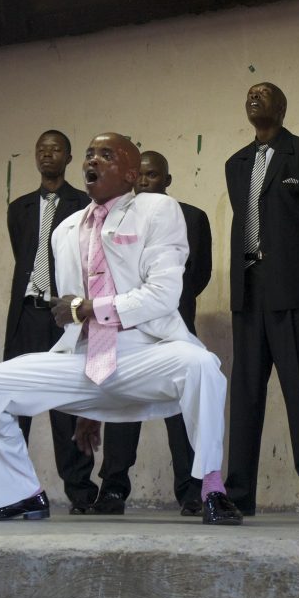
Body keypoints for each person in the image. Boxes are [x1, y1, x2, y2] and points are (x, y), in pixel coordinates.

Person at [0, 132, 241, 526]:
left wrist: (91, 308)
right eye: (90, 154)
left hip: (148, 352)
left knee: (203, 365)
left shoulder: (158, 209)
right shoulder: (65, 230)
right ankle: (20, 493)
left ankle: (212, 488)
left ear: (130, 174)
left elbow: (162, 295)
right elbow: (75, 317)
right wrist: (89, 403)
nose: (93, 160)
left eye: (106, 155)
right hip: (86, 359)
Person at [223, 82, 299, 517]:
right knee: (245, 397)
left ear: (283, 106)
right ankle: (238, 494)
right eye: (249, 94)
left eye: (264, 93)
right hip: (249, 291)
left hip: (292, 292)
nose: (254, 98)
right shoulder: (236, 163)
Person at [93, 151, 210, 516]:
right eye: (139, 175)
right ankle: (113, 489)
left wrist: (164, 306)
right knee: (123, 406)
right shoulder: (111, 218)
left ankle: (191, 491)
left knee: (182, 410)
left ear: (167, 180)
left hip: (174, 327)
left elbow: (199, 275)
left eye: (153, 175)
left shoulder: (192, 217)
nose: (144, 181)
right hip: (127, 330)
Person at [4, 130, 98, 515]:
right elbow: (23, 253)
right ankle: (13, 490)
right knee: (17, 401)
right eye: (41, 150)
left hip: (65, 315)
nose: (47, 155)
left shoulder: (83, 203)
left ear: (69, 157)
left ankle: (81, 492)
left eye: (55, 149)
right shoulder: (19, 208)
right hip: (27, 313)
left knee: (68, 403)